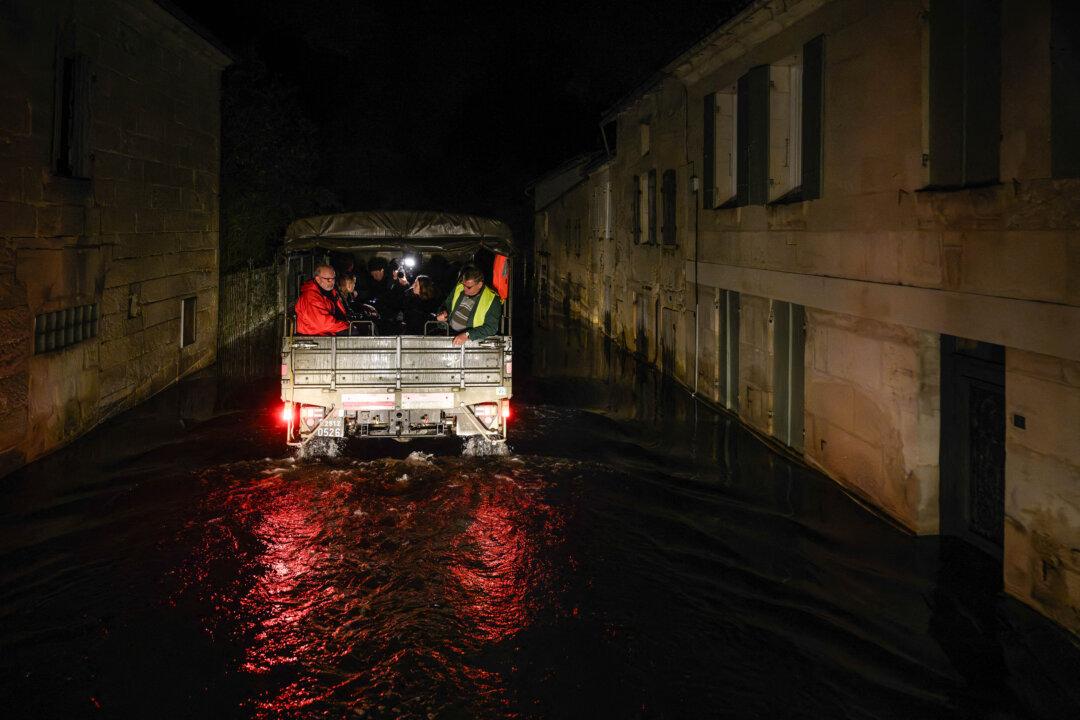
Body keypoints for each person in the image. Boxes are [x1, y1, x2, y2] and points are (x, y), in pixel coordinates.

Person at [436, 264, 503, 346]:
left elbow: (491, 328)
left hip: (472, 340)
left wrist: (467, 335)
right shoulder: (459, 287)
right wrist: (444, 313)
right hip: (450, 332)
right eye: (464, 285)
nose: (464, 289)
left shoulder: (493, 299)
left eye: (469, 287)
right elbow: (446, 304)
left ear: (479, 284)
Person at [295, 264, 349, 336]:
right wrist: (347, 326)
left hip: (330, 331)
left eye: (333, 278)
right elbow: (322, 324)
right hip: (316, 336)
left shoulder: (330, 292)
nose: (332, 282)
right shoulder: (310, 297)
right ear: (318, 279)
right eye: (328, 279)